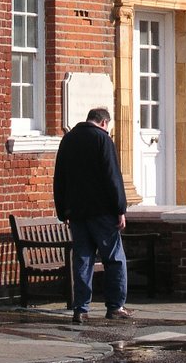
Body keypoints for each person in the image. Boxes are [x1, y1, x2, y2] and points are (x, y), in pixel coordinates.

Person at [53, 106, 133, 324]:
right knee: (114, 259)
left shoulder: (68, 140)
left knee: (82, 260)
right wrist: (120, 209)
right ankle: (115, 306)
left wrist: (62, 210)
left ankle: (80, 309)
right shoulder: (103, 140)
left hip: (76, 212)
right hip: (102, 212)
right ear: (104, 123)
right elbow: (112, 177)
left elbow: (59, 177)